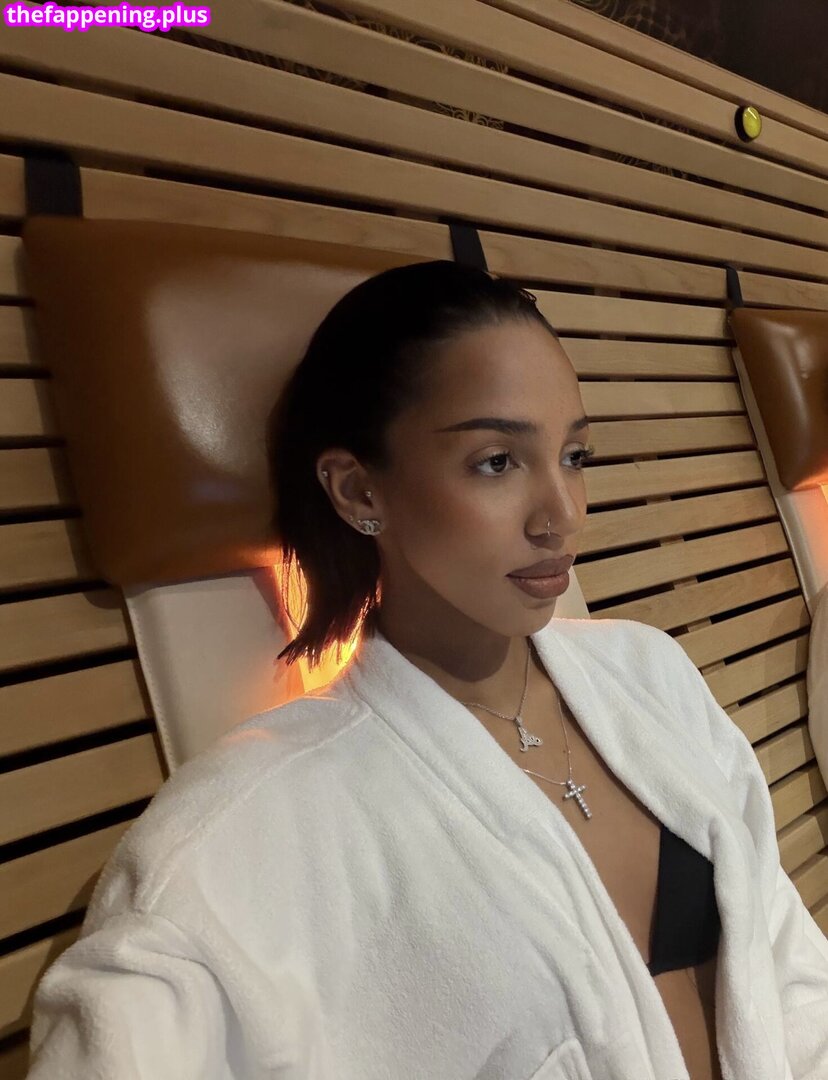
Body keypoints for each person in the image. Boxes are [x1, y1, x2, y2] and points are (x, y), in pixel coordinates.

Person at [25, 261, 828, 1079]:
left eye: (574, 455)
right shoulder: (253, 828)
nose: (563, 515)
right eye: (497, 462)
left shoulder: (648, 672)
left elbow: (790, 967)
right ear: (357, 490)